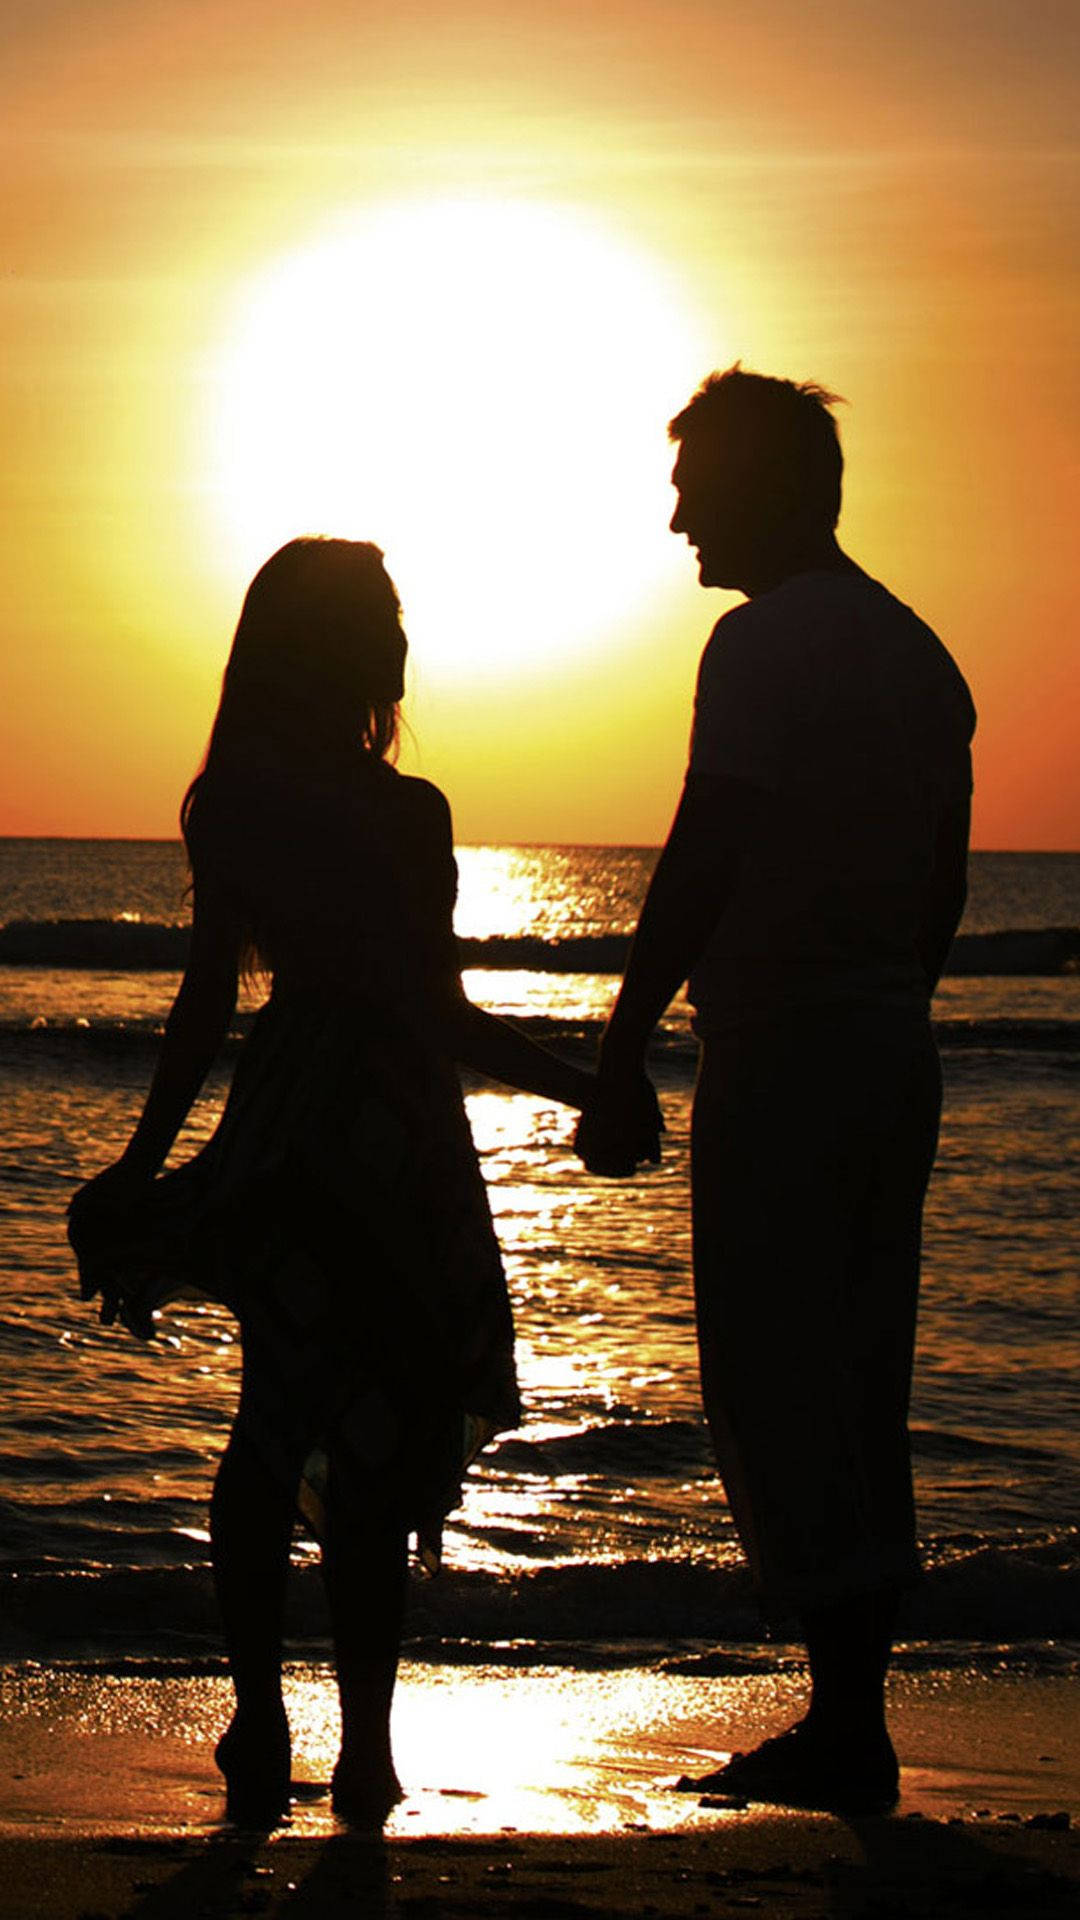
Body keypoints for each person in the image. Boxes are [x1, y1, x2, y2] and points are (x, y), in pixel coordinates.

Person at [68, 536, 597, 1831]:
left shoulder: (238, 800)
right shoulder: (408, 815)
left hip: (291, 1131)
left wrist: (148, 1166)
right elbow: (436, 1011)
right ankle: (363, 1752)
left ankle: (261, 1719)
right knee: (376, 1445)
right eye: (388, 614)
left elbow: (209, 1002)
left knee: (272, 1425)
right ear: (346, 645)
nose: (405, 634)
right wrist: (587, 1082)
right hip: (397, 1144)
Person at [577, 366, 975, 1813]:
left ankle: (843, 1722)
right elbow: (943, 886)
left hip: (793, 1056)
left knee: (772, 1369)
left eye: (695, 483)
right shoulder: (918, 654)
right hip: (885, 1052)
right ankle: (850, 1714)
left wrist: (623, 1050)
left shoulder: (764, 648)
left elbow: (705, 855)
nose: (678, 514)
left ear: (762, 486)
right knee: (860, 1365)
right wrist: (883, 1003)